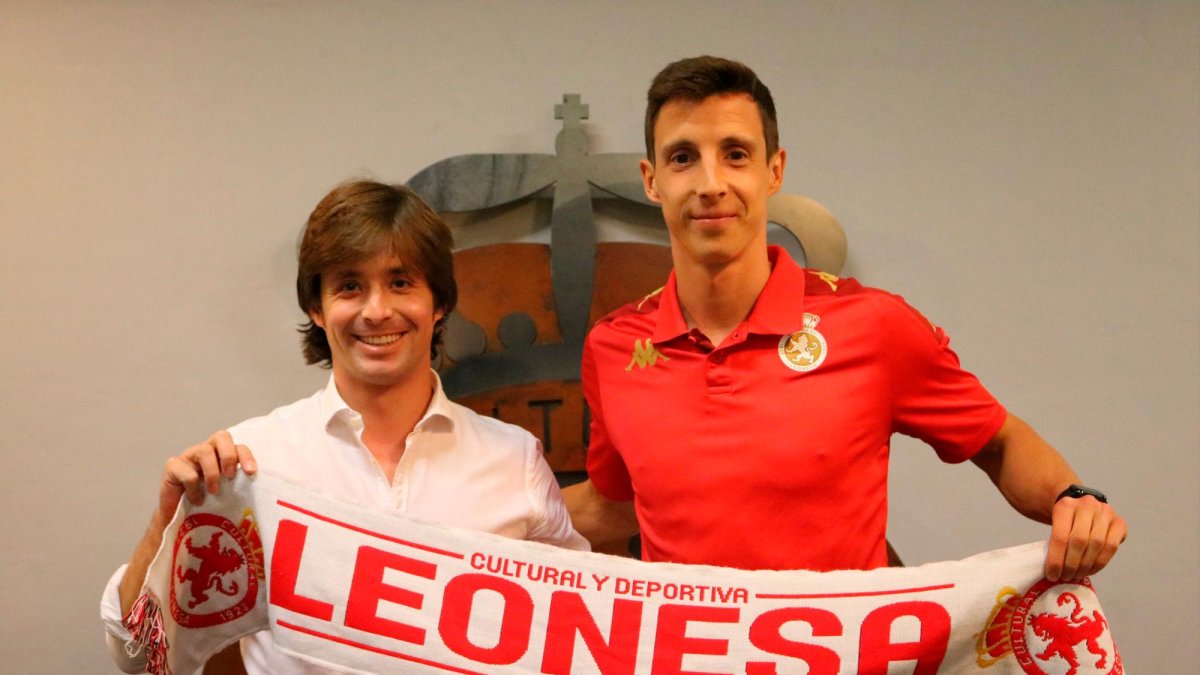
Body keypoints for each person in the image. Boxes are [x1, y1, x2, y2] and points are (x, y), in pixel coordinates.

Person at [563, 56, 1126, 579]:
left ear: (774, 171)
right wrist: (476, 529)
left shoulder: (874, 325)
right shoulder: (614, 348)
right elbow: (615, 505)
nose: (711, 184)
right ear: (652, 179)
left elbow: (998, 441)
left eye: (736, 154)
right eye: (683, 157)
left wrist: (1072, 498)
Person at [100, 181, 587, 673]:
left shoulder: (514, 460)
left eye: (401, 283)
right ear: (317, 308)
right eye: (350, 286)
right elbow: (136, 653)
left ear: (438, 303)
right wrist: (167, 524)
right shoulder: (250, 463)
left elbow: (579, 643)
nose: (376, 311)